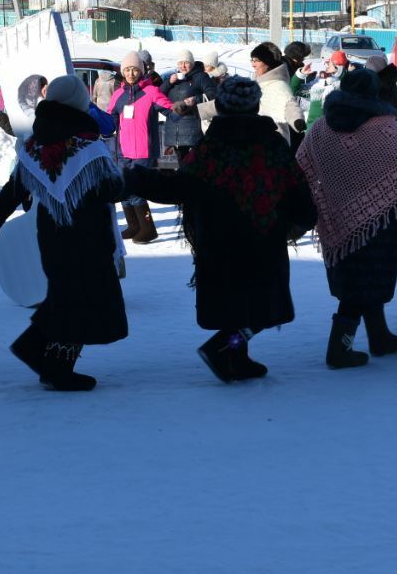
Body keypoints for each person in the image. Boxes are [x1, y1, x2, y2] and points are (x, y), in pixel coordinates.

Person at [123, 76, 316, 383]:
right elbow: (295, 186)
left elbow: (181, 186)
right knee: (262, 308)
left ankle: (235, 355)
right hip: (262, 241)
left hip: (219, 241)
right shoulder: (270, 143)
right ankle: (227, 349)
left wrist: (138, 178)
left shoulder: (211, 146)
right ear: (254, 105)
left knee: (237, 307)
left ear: (223, 106)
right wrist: (304, 217)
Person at [0, 75, 127, 391]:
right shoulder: (88, 145)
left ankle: (33, 346)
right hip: (89, 237)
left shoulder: (34, 144)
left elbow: (13, 189)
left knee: (63, 294)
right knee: (81, 300)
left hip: (52, 234)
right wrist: (138, 181)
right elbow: (112, 188)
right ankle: (59, 366)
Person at [297, 68, 397, 369]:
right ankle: (339, 350)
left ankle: (379, 335)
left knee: (357, 280)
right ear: (374, 91)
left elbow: (301, 167)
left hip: (339, 218)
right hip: (383, 221)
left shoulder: (321, 128)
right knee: (367, 282)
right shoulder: (385, 128)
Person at [108, 50, 173, 243]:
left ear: (141, 71)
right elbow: (110, 120)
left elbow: (170, 109)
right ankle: (134, 225)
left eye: (134, 70)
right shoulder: (118, 94)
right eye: (127, 70)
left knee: (136, 189)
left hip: (143, 150)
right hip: (122, 150)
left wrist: (181, 110)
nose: (130, 74)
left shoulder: (151, 91)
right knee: (125, 189)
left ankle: (148, 228)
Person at [249, 41, 305, 146]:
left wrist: (297, 120)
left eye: (256, 60)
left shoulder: (278, 84)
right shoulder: (255, 81)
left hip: (274, 142)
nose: (253, 64)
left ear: (268, 61)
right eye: (252, 60)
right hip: (257, 140)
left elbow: (290, 105)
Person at [160, 49, 212, 160]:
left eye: (186, 62)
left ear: (192, 64)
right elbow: (158, 96)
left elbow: (213, 94)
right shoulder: (173, 79)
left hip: (193, 130)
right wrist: (168, 83)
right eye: (180, 63)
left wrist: (196, 99)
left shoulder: (201, 77)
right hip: (173, 132)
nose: (183, 66)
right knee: (173, 169)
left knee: (192, 167)